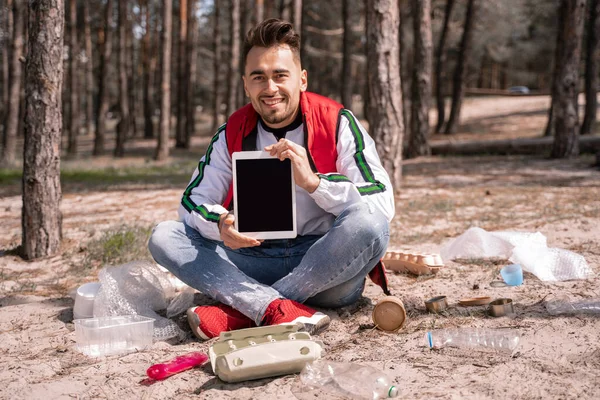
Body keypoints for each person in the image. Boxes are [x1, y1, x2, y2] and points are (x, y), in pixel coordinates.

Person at [148, 18, 395, 340]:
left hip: (327, 269)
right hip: (250, 261)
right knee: (166, 235)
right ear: (246, 85)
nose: (270, 88)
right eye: (258, 78)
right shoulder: (231, 132)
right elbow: (193, 200)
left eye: (280, 76)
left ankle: (247, 309)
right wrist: (222, 224)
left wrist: (314, 183)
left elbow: (381, 200)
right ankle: (275, 307)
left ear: (302, 79)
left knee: (370, 223)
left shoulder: (338, 122)